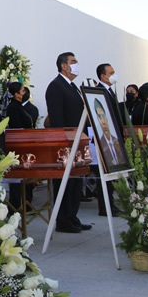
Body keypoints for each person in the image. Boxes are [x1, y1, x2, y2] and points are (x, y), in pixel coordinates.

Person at [45, 52, 91, 234]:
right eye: (73, 61)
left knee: (76, 182)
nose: (76, 64)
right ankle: (63, 220)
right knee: (65, 183)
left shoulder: (73, 87)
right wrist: (64, 142)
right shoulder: (56, 87)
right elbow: (57, 119)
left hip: (78, 142)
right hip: (66, 143)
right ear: (64, 66)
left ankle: (73, 216)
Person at [94, 64, 123, 216]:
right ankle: (105, 206)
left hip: (114, 138)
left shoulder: (110, 91)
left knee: (112, 175)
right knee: (105, 174)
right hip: (104, 139)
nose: (114, 75)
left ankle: (111, 204)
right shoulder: (99, 92)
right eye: (111, 73)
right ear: (103, 76)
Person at [5, 82, 34, 210]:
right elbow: (17, 127)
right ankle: (16, 204)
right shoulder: (13, 108)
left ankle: (26, 202)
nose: (25, 93)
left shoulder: (21, 106)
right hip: (19, 145)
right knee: (17, 178)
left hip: (26, 143)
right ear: (16, 94)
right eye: (22, 91)